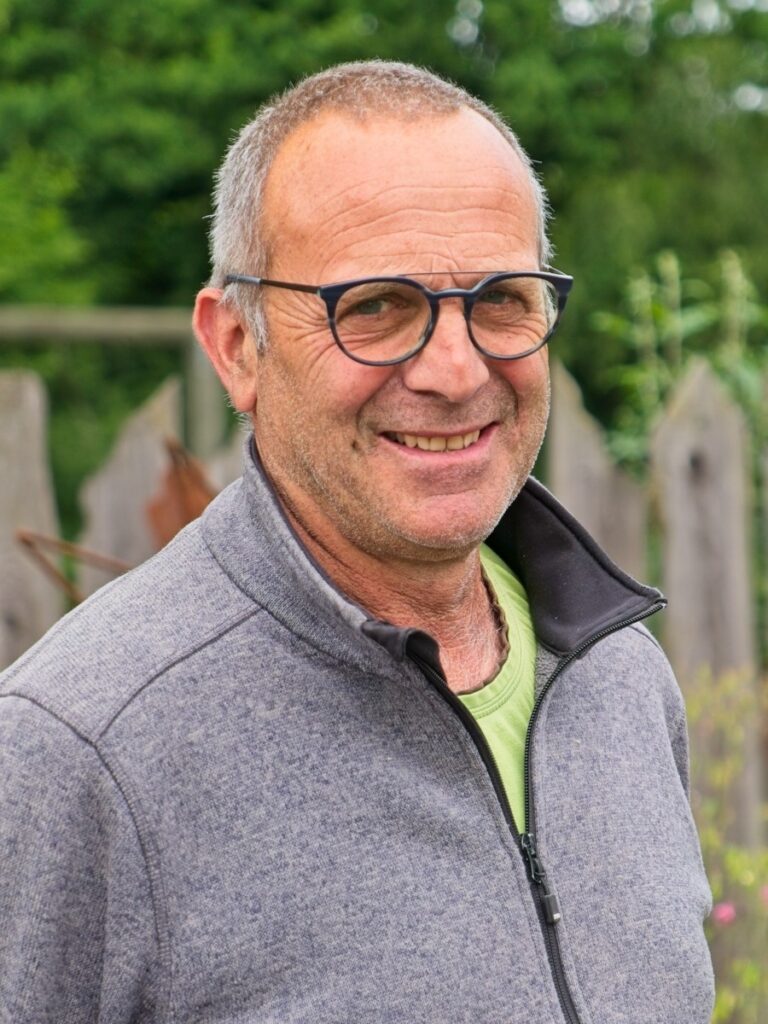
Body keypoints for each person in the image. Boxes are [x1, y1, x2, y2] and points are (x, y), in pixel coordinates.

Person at [0, 60, 714, 1023]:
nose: (457, 372)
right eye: (376, 307)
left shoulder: (622, 678)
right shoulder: (74, 755)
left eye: (503, 297)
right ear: (237, 348)